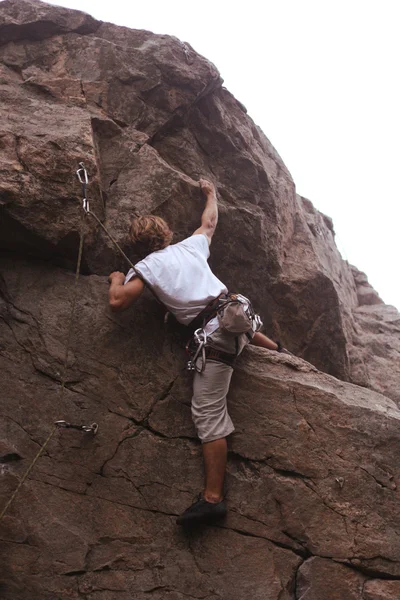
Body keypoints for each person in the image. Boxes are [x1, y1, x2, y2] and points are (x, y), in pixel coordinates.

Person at [108, 179, 283, 526]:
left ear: (138, 246)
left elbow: (118, 301)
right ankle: (280, 352)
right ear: (167, 235)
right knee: (230, 314)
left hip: (216, 339)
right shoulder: (190, 246)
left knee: (207, 414)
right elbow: (209, 222)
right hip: (235, 316)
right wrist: (212, 194)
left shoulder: (144, 268)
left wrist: (116, 277)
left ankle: (213, 500)